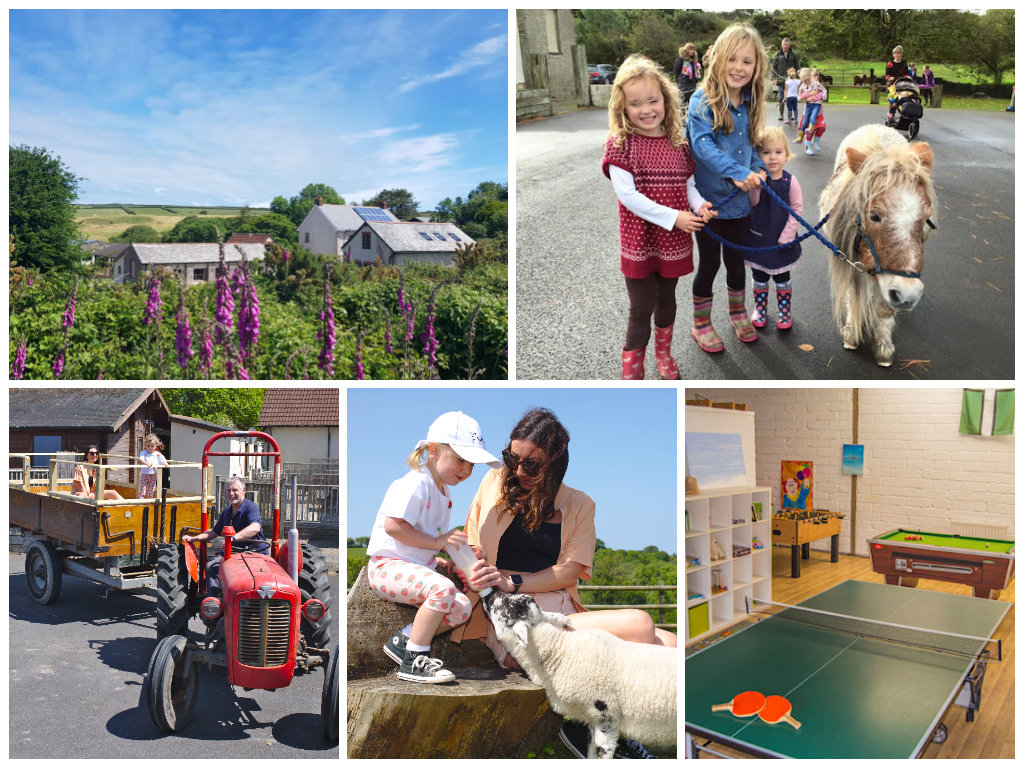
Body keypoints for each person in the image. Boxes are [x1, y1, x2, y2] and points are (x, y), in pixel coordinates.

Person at [450, 408, 677, 759]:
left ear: (555, 465)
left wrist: (515, 580)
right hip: (514, 615)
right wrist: (485, 574)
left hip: (555, 606)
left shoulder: (580, 504)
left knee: (673, 644)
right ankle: (613, 737)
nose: (519, 471)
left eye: (532, 465)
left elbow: (570, 572)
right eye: (513, 458)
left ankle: (598, 733)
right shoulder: (494, 481)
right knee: (643, 625)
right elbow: (474, 541)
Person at [365, 411, 500, 684]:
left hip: (412, 566)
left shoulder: (443, 492)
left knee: (461, 607)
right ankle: (414, 659)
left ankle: (404, 640)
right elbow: (393, 527)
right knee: (444, 588)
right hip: (386, 567)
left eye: (471, 464)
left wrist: (441, 560)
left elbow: (421, 542)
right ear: (434, 451)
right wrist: (439, 543)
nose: (467, 470)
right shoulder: (416, 483)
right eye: (461, 459)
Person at [602, 54, 715, 380]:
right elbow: (628, 196)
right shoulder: (621, 145)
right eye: (636, 103)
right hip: (640, 242)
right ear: (622, 107)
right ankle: (632, 372)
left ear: (666, 100)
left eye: (653, 100)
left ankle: (664, 355)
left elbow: (689, 184)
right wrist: (674, 217)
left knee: (667, 300)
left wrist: (699, 206)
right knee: (640, 309)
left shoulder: (678, 144)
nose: (647, 109)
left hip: (673, 241)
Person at [686, 23, 768, 353]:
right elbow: (702, 146)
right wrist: (736, 173)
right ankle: (701, 323)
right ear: (718, 59)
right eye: (732, 59)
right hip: (709, 204)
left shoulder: (750, 102)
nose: (738, 67)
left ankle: (738, 313)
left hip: (739, 206)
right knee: (709, 263)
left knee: (736, 263)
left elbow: (749, 146)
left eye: (746, 61)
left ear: (756, 66)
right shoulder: (701, 100)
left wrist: (757, 169)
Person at [745, 127, 803, 331]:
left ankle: (784, 310)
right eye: (766, 152)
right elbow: (752, 203)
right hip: (759, 239)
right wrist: (756, 187)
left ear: (786, 155)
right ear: (758, 155)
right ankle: (760, 309)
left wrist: (788, 234)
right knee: (759, 276)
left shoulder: (790, 181)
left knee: (782, 278)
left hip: (783, 240)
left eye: (778, 152)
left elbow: (796, 209)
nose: (772, 157)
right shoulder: (756, 180)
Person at [183, 476, 268, 596]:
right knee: (211, 567)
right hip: (232, 553)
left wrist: (232, 538)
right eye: (228, 490)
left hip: (253, 551)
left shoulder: (251, 507)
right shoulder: (227, 512)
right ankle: (213, 604)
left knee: (256, 576)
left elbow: (255, 527)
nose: (231, 494)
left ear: (244, 490)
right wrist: (194, 538)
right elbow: (215, 531)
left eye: (235, 490)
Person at [795, 67, 825, 153]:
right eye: (814, 76)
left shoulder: (818, 86)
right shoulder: (806, 85)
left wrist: (814, 96)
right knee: (809, 130)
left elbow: (823, 94)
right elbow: (800, 96)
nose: (816, 78)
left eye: (817, 76)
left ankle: (815, 142)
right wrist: (807, 95)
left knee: (822, 128)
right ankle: (807, 147)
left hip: (819, 112)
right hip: (808, 110)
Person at [771, 37, 799, 121]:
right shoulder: (777, 54)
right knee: (781, 98)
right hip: (781, 80)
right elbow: (773, 67)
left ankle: (793, 115)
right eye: (784, 44)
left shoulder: (793, 54)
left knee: (793, 98)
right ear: (781, 45)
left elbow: (797, 66)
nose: (785, 46)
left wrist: (797, 77)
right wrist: (773, 78)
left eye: (787, 45)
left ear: (789, 45)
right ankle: (781, 115)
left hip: (791, 79)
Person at [673, 43, 701, 113]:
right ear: (686, 50)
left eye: (693, 50)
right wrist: (680, 80)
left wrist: (696, 80)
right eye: (690, 49)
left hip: (692, 84)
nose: (691, 51)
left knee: (692, 102)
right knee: (683, 103)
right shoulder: (680, 59)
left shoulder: (694, 61)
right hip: (683, 84)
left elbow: (696, 72)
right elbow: (676, 71)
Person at [138, 434, 168, 499]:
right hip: (144, 474)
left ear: (155, 446)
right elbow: (141, 459)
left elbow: (163, 459)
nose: (150, 448)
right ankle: (140, 503)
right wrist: (146, 463)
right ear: (145, 445)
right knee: (142, 490)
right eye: (148, 446)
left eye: (152, 446)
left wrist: (165, 463)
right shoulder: (143, 452)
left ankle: (149, 503)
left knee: (151, 491)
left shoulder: (157, 454)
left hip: (153, 474)